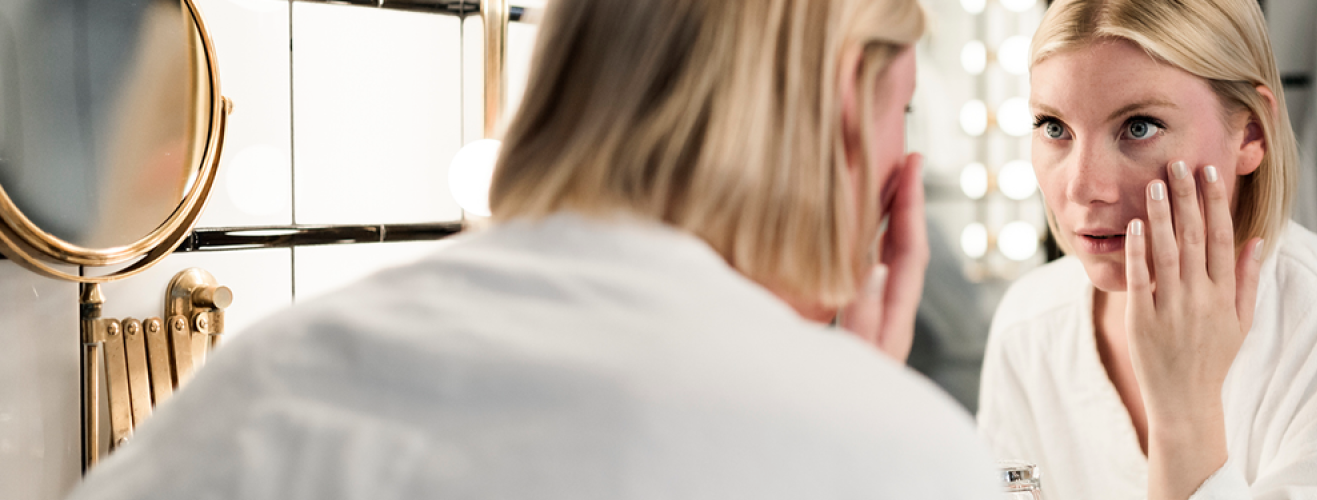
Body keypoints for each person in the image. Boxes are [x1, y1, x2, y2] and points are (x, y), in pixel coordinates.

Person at [66, 0, 999, 498]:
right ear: (840, 102)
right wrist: (854, 408)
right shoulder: (897, 457)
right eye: (901, 109)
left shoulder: (260, 382)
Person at [974, 0, 1317, 498]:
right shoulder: (1029, 324)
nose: (1083, 186)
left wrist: (1185, 418)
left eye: (1139, 127)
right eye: (1053, 128)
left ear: (1249, 132)